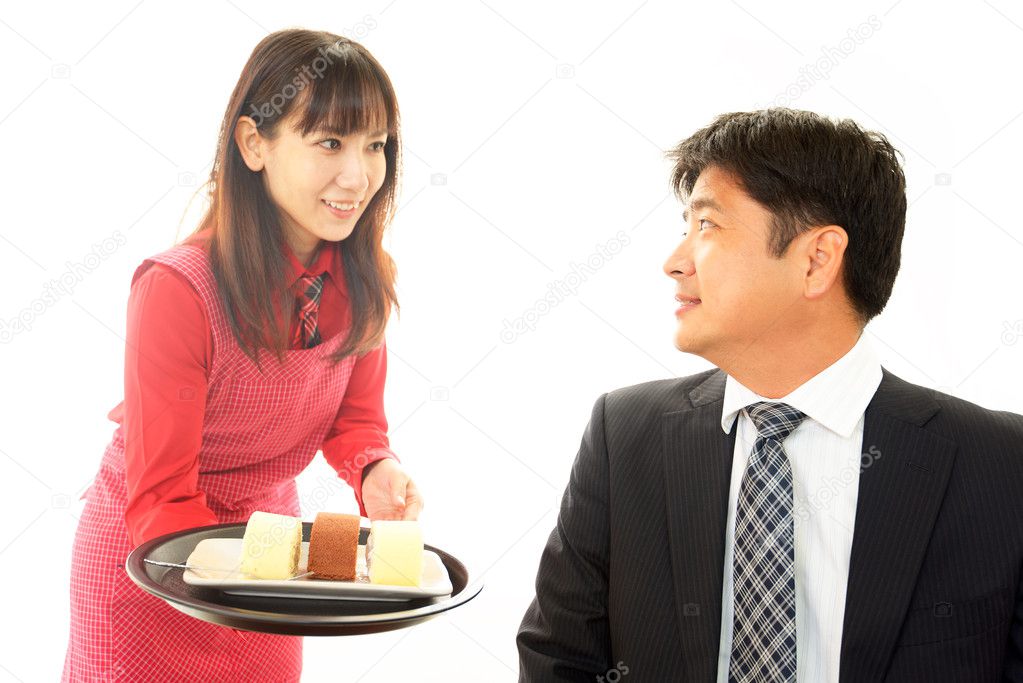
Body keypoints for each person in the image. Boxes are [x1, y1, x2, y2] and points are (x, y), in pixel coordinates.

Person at [517, 108, 1023, 682]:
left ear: (817, 260)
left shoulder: (1000, 464)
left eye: (706, 226)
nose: (675, 262)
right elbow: (559, 663)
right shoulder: (623, 436)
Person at [62, 29, 422, 682]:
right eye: (330, 142)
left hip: (266, 549)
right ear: (254, 144)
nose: (359, 174)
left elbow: (355, 421)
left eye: (375, 145)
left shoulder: (366, 276)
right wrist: (249, 577)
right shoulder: (177, 289)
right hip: (153, 564)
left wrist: (374, 468)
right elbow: (162, 493)